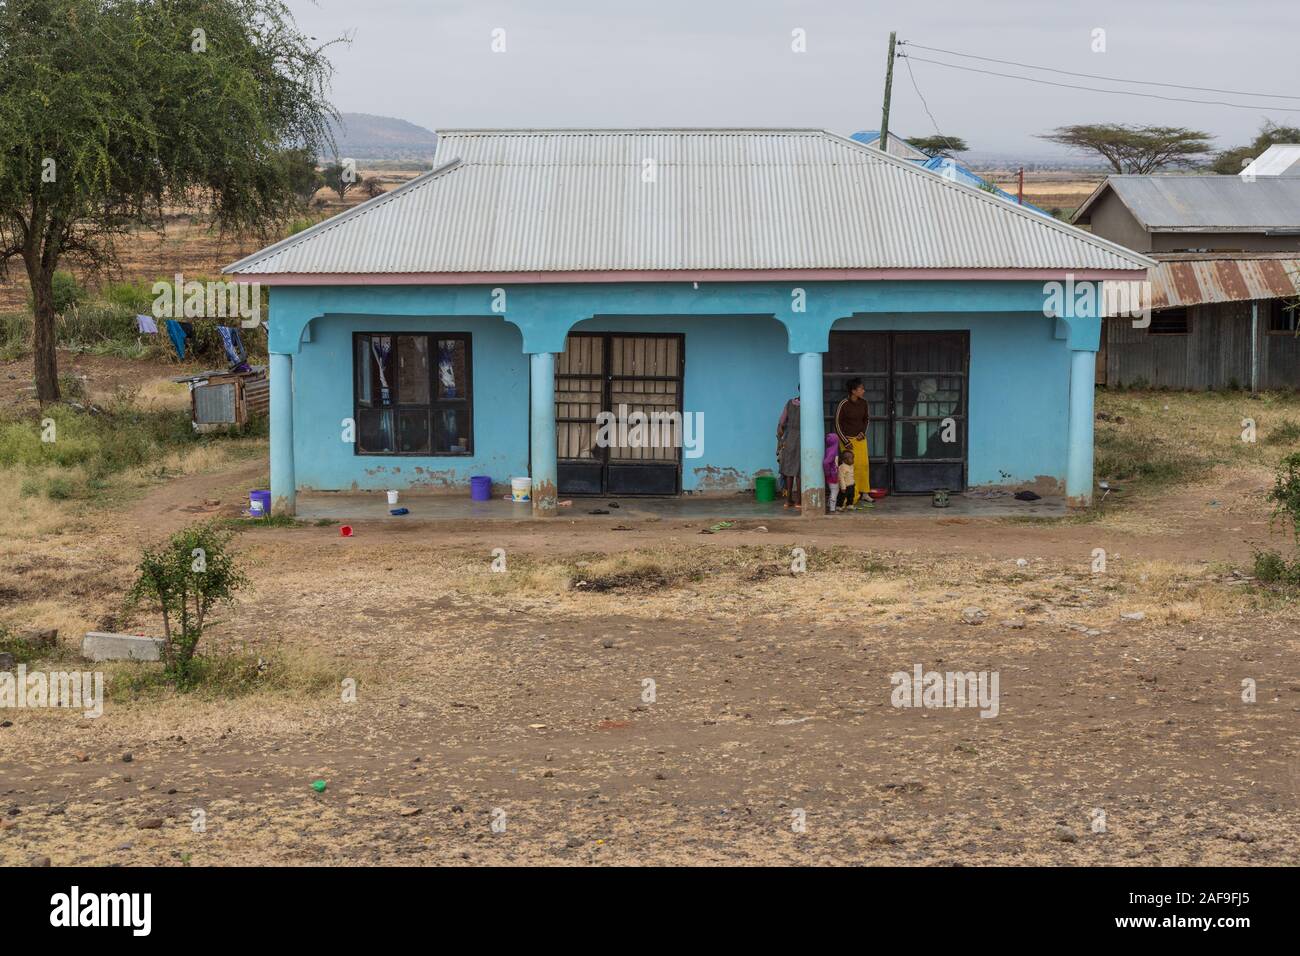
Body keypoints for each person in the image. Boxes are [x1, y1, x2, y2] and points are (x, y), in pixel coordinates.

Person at [835, 378, 871, 506]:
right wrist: (845, 441)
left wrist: (863, 433)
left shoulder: (864, 403)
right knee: (850, 468)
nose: (863, 391)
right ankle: (852, 495)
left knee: (864, 465)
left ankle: (864, 492)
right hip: (847, 441)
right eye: (861, 388)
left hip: (860, 439)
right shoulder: (843, 404)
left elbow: (866, 419)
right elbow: (837, 423)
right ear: (853, 391)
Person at [776, 394, 801, 509]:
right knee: (799, 471)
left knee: (789, 470)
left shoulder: (790, 403)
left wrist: (780, 439)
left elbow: (781, 422)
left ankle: (788, 500)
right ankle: (799, 501)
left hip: (789, 438)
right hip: (802, 439)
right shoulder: (810, 404)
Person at [823, 432, 840, 513]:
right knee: (835, 491)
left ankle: (829, 505)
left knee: (833, 490)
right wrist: (828, 472)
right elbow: (826, 462)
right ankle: (832, 509)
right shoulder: (832, 451)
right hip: (832, 476)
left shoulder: (830, 450)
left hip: (832, 474)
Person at [837, 446, 856, 511]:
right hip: (845, 486)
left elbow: (851, 475)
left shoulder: (851, 466)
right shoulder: (842, 467)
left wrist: (853, 483)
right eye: (851, 458)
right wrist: (843, 487)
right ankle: (839, 506)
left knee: (851, 496)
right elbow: (841, 478)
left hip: (851, 484)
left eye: (853, 458)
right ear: (844, 460)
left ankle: (849, 505)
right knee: (842, 497)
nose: (853, 460)